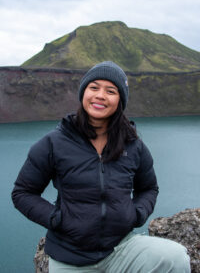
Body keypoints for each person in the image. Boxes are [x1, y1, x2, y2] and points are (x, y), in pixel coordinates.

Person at [12, 61, 190, 273]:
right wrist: (56, 219)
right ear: (83, 93)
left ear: (120, 100)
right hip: (70, 256)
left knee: (176, 258)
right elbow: (23, 193)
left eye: (111, 91)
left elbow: (149, 188)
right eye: (94, 87)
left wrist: (136, 214)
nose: (100, 96)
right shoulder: (54, 143)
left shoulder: (133, 145)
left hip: (120, 249)